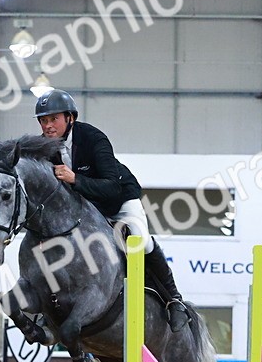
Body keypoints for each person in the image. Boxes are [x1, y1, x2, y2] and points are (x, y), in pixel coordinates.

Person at [34, 89, 189, 332]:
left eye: (53, 119)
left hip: (119, 200)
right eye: (43, 120)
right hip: (85, 209)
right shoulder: (43, 148)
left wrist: (75, 179)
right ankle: (51, 306)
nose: (48, 126)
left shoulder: (93, 138)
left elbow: (112, 186)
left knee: (140, 239)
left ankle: (174, 301)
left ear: (70, 118)